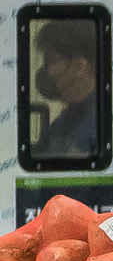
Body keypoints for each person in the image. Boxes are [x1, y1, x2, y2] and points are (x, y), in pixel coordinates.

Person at [34, 21, 99, 160]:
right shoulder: (60, 124)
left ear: (79, 66)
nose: (47, 72)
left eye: (51, 61)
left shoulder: (99, 125)